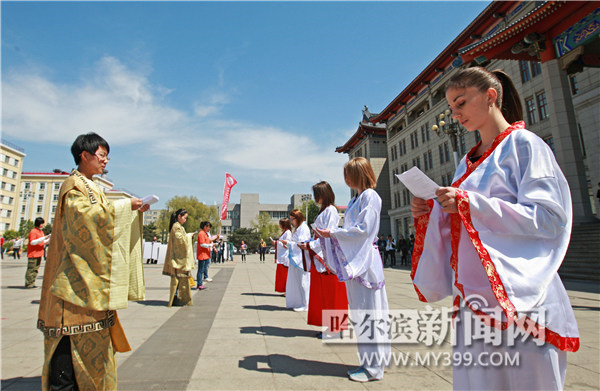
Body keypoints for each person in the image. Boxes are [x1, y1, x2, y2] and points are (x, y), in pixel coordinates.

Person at [410, 67, 579, 390]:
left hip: (521, 296)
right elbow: (465, 218)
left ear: (490, 96)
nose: (456, 114)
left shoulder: (524, 145)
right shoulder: (466, 162)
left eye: (461, 103)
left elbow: (548, 217)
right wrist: (433, 210)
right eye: (451, 108)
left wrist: (468, 204)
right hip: (475, 300)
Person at [37, 132, 148, 390]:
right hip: (71, 287)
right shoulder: (73, 186)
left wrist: (130, 211)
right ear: (83, 156)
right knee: (66, 356)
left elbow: (102, 218)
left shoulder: (92, 186)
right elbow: (85, 219)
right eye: (101, 156)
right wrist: (124, 206)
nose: (105, 161)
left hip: (89, 285)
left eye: (107, 156)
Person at [315, 157, 390, 382]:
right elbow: (354, 229)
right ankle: (371, 362)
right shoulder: (357, 198)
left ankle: (374, 367)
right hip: (358, 260)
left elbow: (363, 230)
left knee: (370, 314)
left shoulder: (370, 196)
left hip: (365, 262)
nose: (345, 178)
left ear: (359, 174)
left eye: (348, 174)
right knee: (362, 314)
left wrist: (333, 233)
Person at [299, 181, 348, 338]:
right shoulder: (325, 211)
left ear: (324, 195)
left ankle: (336, 329)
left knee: (333, 294)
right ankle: (331, 327)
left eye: (317, 195)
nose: (315, 198)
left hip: (328, 258)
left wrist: (310, 245)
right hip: (321, 255)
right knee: (326, 295)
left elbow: (329, 235)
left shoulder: (331, 211)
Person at [162, 209, 195, 306]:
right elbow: (180, 240)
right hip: (178, 258)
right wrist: (189, 236)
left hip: (179, 257)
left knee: (180, 279)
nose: (185, 220)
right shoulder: (176, 227)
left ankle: (179, 298)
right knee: (178, 279)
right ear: (179, 217)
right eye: (184, 218)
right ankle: (177, 298)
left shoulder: (179, 227)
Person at [281, 209, 311, 311]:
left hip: (301, 259)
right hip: (296, 259)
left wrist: (289, 243)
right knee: (298, 282)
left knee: (303, 282)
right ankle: (300, 302)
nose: (291, 222)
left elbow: (301, 244)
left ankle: (306, 304)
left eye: (292, 219)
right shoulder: (299, 228)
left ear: (297, 218)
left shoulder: (303, 228)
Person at [25, 217, 51, 288]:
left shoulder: (41, 232)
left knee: (35, 269)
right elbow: (32, 242)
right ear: (38, 224)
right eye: (42, 224)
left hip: (39, 253)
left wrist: (48, 241)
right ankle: (28, 283)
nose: (43, 225)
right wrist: (44, 238)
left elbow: (42, 242)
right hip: (33, 253)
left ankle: (32, 282)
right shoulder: (33, 231)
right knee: (31, 269)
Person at [273, 218, 292, 294]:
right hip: (281, 257)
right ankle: (284, 290)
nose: (279, 225)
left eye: (280, 224)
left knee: (284, 275)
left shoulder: (288, 233)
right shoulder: (285, 232)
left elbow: (287, 244)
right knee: (281, 275)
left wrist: (277, 243)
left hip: (285, 257)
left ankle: (286, 291)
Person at [196, 221, 216, 289]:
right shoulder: (201, 233)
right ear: (205, 226)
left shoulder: (206, 234)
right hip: (202, 255)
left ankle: (201, 282)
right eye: (208, 227)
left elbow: (209, 240)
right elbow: (202, 244)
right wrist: (211, 245)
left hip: (206, 255)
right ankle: (199, 284)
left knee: (204, 269)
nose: (209, 228)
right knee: (200, 270)